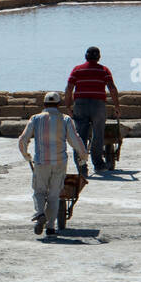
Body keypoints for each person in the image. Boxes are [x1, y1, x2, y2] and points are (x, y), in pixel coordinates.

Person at [18, 91, 86, 237]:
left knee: (39, 192)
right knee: (54, 195)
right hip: (60, 162)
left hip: (41, 162)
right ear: (59, 104)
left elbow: (22, 139)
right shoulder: (66, 119)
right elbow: (75, 139)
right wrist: (83, 155)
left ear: (44, 104)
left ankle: (40, 213)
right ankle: (50, 227)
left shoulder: (35, 118)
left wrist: (26, 155)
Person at [64, 46, 121, 175]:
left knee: (79, 137)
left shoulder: (77, 70)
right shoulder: (104, 70)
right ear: (99, 57)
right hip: (98, 105)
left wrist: (68, 106)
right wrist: (117, 106)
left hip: (81, 105)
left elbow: (69, 89)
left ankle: (81, 166)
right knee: (98, 135)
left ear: (86, 56)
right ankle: (98, 165)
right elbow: (112, 88)